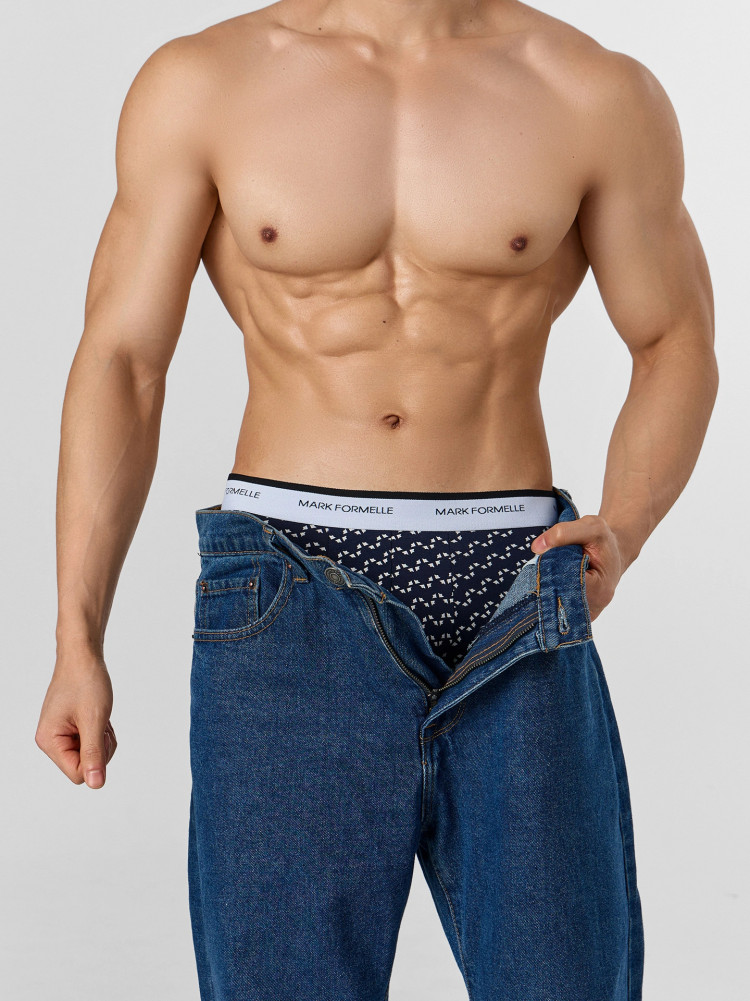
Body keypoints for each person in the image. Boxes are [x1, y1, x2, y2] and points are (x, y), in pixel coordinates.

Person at [35, 0, 718, 998]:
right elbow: (124, 360)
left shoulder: (594, 91)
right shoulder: (203, 83)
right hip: (288, 585)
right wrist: (76, 634)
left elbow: (675, 340)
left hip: (517, 582)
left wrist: (627, 522)